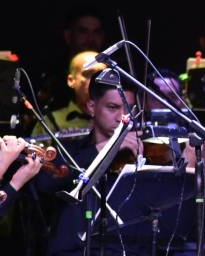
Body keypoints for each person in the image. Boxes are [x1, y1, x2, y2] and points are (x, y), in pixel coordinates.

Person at [38, 71, 142, 255]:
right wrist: (106, 148)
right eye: (113, 107)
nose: (123, 118)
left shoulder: (141, 151)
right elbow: (45, 183)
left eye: (129, 109)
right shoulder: (70, 151)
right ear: (92, 107)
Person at [30, 51, 105, 137]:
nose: (97, 79)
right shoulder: (51, 121)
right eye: (88, 74)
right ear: (71, 80)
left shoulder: (119, 116)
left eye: (102, 74)